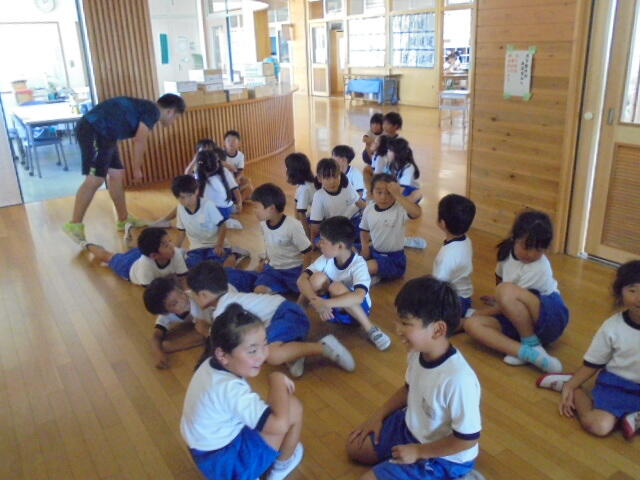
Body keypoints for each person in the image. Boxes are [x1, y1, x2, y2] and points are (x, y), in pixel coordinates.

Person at [347, 276, 482, 480]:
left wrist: (419, 452)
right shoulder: (417, 352)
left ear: (438, 330)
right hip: (411, 427)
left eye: (405, 323)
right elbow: (408, 389)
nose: (397, 329)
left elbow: (467, 439)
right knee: (355, 447)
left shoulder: (458, 380)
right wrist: (378, 415)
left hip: (444, 457)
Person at [180, 302, 304, 480]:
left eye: (265, 344)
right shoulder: (230, 389)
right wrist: (276, 379)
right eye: (252, 350)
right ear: (223, 355)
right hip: (226, 464)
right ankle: (278, 470)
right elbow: (279, 426)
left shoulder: (209, 364)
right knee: (292, 406)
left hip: (207, 454)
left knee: (268, 409)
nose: (263, 355)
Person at [187, 261, 356, 378]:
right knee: (263, 350)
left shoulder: (222, 312)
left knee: (270, 355)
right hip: (284, 316)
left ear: (203, 294)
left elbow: (221, 343)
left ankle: (324, 347)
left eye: (193, 294)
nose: (192, 297)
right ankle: (294, 352)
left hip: (288, 315)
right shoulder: (228, 295)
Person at [536, 260, 640, 440]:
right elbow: (593, 363)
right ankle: (569, 385)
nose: (639, 298)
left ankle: (634, 418)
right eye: (632, 290)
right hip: (616, 386)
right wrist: (571, 386)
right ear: (620, 293)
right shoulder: (613, 327)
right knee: (598, 426)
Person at [63, 94, 186, 243]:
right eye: (176, 118)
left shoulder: (146, 107)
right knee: (95, 179)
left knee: (117, 174)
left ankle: (123, 219)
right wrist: (136, 169)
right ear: (170, 111)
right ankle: (74, 224)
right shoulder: (153, 111)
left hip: (107, 135)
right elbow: (139, 140)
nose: (173, 122)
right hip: (94, 129)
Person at [463, 210, 569, 373]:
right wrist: (498, 299)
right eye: (526, 247)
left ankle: (532, 343)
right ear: (515, 238)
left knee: (502, 292)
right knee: (471, 325)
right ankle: (527, 353)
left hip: (550, 317)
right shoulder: (506, 252)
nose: (531, 254)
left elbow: (508, 295)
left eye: (538, 250)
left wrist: (481, 312)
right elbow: (500, 277)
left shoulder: (539, 268)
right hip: (520, 320)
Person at [297, 216, 391, 351]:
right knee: (315, 279)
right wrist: (315, 301)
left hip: (355, 314)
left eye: (323, 241)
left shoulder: (358, 264)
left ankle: (370, 329)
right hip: (329, 311)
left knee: (336, 287)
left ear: (340, 246)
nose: (319, 244)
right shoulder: (326, 258)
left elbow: (359, 296)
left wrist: (326, 304)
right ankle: (297, 314)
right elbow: (301, 279)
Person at [172, 174, 249, 269]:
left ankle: (234, 254)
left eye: (190, 196)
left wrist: (219, 245)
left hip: (215, 244)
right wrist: (175, 251)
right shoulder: (180, 208)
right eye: (182, 197)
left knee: (220, 267)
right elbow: (181, 232)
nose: (187, 201)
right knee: (193, 266)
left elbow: (222, 225)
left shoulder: (208, 205)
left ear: (196, 191)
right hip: (197, 247)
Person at [251, 183, 312, 295]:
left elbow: (308, 252)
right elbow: (269, 244)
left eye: (256, 207)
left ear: (271, 208)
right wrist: (266, 260)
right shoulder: (263, 224)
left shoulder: (293, 226)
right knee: (258, 291)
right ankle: (280, 287)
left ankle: (282, 288)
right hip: (273, 270)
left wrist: (304, 275)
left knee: (307, 292)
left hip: (293, 270)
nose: (254, 210)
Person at [360, 174, 422, 283]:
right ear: (372, 192)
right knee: (349, 248)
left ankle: (368, 275)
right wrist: (365, 247)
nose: (383, 197)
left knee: (364, 267)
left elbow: (417, 213)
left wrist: (398, 195)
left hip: (394, 260)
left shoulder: (400, 209)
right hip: (375, 252)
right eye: (379, 192)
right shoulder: (369, 209)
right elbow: (364, 230)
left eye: (389, 193)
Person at [79, 227, 188, 287]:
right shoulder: (146, 266)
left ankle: (130, 229)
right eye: (166, 245)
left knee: (139, 246)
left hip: (143, 255)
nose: (172, 246)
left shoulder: (174, 253)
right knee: (107, 256)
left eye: (170, 241)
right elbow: (152, 290)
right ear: (154, 255)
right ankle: (85, 244)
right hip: (128, 267)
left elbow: (183, 279)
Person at [143, 277, 210, 369]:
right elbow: (156, 336)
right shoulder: (167, 314)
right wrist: (158, 353)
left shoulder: (198, 301)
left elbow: (203, 335)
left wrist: (171, 346)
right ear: (166, 312)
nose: (183, 299)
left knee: (201, 327)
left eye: (181, 292)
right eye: (174, 303)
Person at [432, 194, 476, 317]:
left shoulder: (447, 255)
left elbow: (438, 287)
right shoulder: (466, 240)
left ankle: (466, 316)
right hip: (465, 296)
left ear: (442, 223)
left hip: (454, 301)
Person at [308, 158, 361, 245]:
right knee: (320, 242)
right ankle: (352, 247)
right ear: (319, 178)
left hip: (354, 221)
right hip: (335, 228)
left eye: (335, 176)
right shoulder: (319, 195)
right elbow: (315, 226)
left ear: (340, 175)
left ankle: (351, 247)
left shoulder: (346, 185)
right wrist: (313, 244)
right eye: (327, 178)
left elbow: (359, 203)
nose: (332, 181)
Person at [195, 149, 244, 229]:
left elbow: (199, 201)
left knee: (201, 218)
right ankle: (222, 220)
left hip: (219, 210)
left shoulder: (202, 176)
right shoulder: (222, 171)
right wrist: (239, 203)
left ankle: (219, 222)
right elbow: (235, 188)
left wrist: (239, 203)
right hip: (226, 208)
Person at [284, 152, 316, 239]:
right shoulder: (308, 183)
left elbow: (301, 214)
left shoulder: (304, 189)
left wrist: (308, 237)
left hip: (313, 222)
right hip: (312, 218)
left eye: (287, 168)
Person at [223, 130, 254, 203]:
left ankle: (237, 201)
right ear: (224, 143)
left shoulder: (240, 155)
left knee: (248, 183)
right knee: (248, 192)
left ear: (239, 143)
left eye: (234, 141)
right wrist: (227, 165)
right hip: (223, 179)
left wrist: (237, 178)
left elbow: (240, 171)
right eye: (228, 140)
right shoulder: (221, 153)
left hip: (234, 178)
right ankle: (237, 198)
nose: (231, 143)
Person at [388, 138, 421, 203]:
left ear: (397, 153)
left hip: (409, 192)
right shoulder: (392, 164)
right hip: (398, 189)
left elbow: (403, 188)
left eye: (389, 151)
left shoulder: (409, 167)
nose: (387, 153)